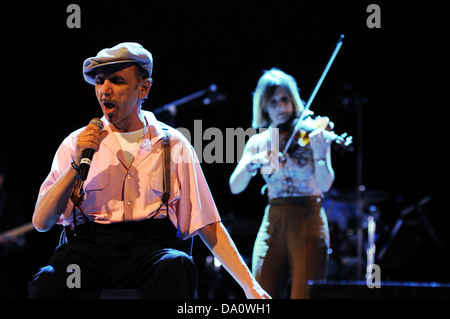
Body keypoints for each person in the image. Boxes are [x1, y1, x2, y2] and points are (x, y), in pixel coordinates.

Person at [28, 42, 270, 299]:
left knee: (176, 266)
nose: (105, 90)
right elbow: (42, 223)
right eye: (100, 81)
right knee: (48, 282)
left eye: (117, 81)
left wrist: (249, 285)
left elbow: (207, 223)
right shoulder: (76, 142)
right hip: (88, 250)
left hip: (151, 250)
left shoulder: (173, 144)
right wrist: (76, 165)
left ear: (144, 87)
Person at [229, 68, 333, 298]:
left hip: (308, 216)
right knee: (260, 291)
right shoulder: (259, 142)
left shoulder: (312, 135)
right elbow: (235, 186)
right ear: (264, 106)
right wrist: (252, 164)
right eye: (273, 102)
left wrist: (320, 154)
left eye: (285, 100)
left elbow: (325, 185)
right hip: (273, 219)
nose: (281, 107)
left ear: (293, 101)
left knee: (304, 293)